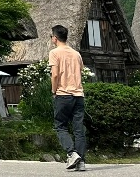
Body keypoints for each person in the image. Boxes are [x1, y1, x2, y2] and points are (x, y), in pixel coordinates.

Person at [49, 24, 86, 172]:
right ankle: (81, 161)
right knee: (79, 129)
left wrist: (54, 91)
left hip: (63, 94)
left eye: (51, 36)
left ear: (55, 38)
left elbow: (55, 74)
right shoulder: (76, 54)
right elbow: (81, 71)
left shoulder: (55, 53)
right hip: (78, 95)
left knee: (60, 126)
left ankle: (72, 153)